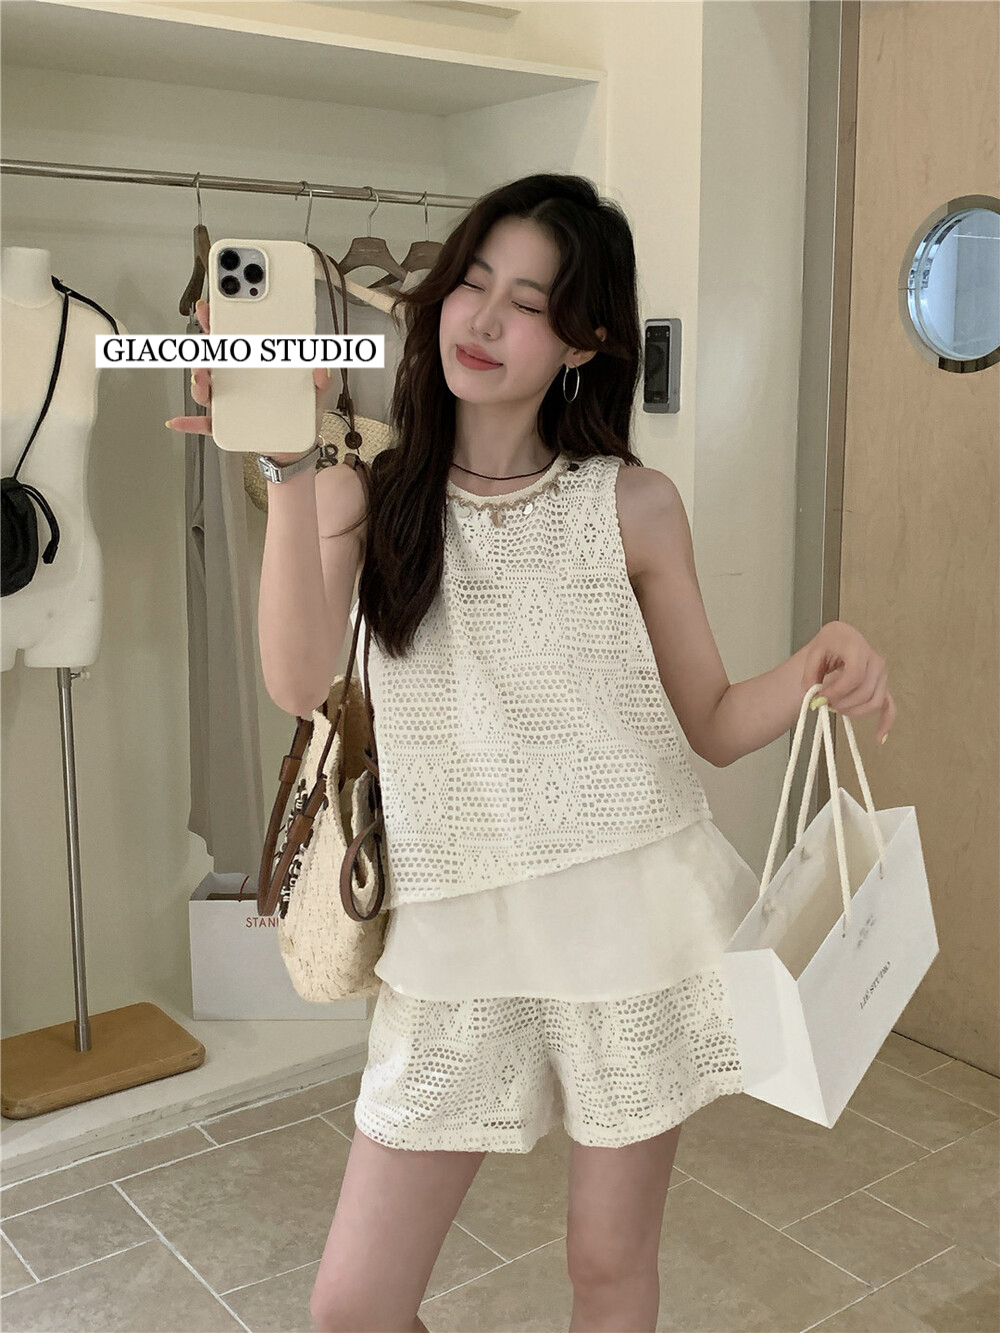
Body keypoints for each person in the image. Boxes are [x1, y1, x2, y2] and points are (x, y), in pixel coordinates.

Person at [168, 172, 894, 1333]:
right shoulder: (363, 492)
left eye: (529, 301)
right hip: (451, 944)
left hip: (630, 932)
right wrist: (286, 470)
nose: (485, 317)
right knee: (352, 1306)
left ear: (581, 342)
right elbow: (301, 685)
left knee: (605, 1267)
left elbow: (710, 719)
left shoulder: (632, 505)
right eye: (472, 281)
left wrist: (814, 663)